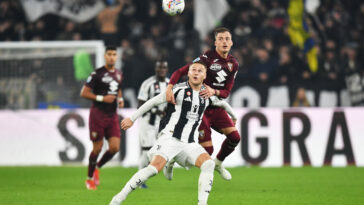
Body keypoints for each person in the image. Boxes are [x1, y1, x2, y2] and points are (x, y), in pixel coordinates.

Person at [109, 61, 236, 205]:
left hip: (190, 143)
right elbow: (152, 102)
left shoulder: (207, 95)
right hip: (170, 138)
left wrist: (233, 116)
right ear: (188, 73)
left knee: (208, 164)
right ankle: (118, 199)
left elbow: (223, 103)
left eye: (200, 71)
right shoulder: (178, 90)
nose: (196, 73)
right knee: (153, 169)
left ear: (205, 75)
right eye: (193, 70)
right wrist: (132, 118)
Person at [165, 27, 240, 180]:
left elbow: (226, 92)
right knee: (208, 150)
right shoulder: (207, 58)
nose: (224, 42)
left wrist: (214, 91)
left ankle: (218, 164)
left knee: (235, 137)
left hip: (216, 107)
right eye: (220, 39)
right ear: (215, 43)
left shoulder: (233, 64)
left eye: (227, 38)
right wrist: (170, 87)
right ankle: (172, 158)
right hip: (200, 108)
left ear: (231, 42)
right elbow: (179, 72)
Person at [80, 46, 124, 190]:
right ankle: (89, 178)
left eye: (114, 54)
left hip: (112, 116)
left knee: (114, 148)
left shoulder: (119, 74)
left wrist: (121, 98)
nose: (112, 57)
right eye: (109, 54)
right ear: (105, 56)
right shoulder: (96, 74)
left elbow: (118, 89)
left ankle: (97, 167)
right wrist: (102, 98)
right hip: (98, 115)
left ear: (116, 57)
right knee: (97, 149)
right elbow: (84, 93)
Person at [136, 59, 169, 188]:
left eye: (163, 68)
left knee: (163, 148)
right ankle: (139, 179)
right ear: (156, 69)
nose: (161, 70)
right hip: (147, 122)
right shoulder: (148, 84)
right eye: (159, 68)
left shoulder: (169, 83)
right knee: (146, 151)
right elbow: (140, 104)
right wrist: (157, 110)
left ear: (166, 69)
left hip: (161, 124)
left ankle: (165, 167)